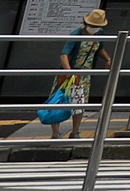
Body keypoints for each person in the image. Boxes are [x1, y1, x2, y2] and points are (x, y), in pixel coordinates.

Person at [47, 8, 111, 140]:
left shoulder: (100, 34)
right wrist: (69, 71)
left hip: (84, 75)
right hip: (69, 73)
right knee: (59, 100)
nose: (94, 28)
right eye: (93, 25)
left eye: (97, 26)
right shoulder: (77, 34)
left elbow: (100, 48)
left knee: (79, 104)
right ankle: (55, 133)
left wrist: (108, 59)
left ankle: (75, 131)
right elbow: (64, 54)